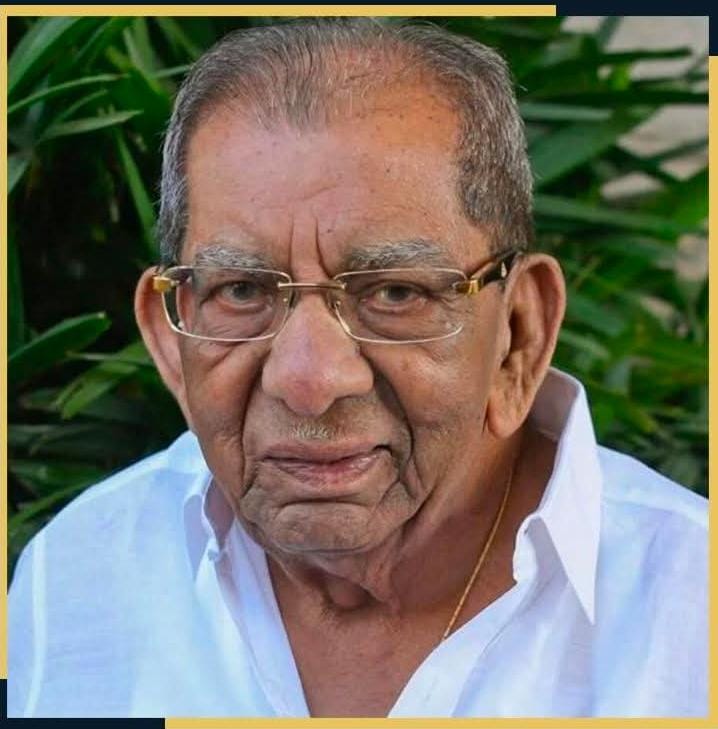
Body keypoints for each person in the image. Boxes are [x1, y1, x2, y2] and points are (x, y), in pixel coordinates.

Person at [8, 18, 707, 718]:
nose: (309, 382)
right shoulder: (76, 579)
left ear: (518, 335)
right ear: (171, 343)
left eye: (394, 293)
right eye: (242, 291)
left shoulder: (689, 613)